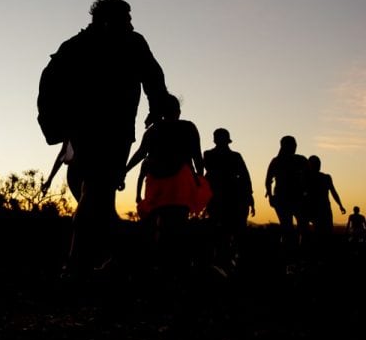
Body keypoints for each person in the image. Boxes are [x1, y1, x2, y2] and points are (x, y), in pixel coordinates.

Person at [41, 0, 168, 277]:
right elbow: (49, 83)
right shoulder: (77, 46)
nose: (131, 24)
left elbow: (153, 76)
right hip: (90, 130)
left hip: (114, 132)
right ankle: (125, 255)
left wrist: (158, 106)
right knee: (91, 192)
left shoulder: (131, 43)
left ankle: (80, 265)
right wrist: (54, 126)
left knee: (96, 192)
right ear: (110, 20)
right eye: (127, 19)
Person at [128, 94, 211, 275]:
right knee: (177, 223)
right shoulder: (188, 127)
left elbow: (141, 153)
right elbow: (197, 156)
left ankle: (161, 262)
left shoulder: (153, 130)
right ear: (178, 111)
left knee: (160, 222)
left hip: (156, 183)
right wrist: (199, 177)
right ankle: (175, 264)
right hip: (179, 182)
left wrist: (124, 171)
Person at [203, 128, 255, 273]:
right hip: (226, 197)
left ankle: (228, 261)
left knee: (229, 231)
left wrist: (249, 195)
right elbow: (245, 177)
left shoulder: (210, 155)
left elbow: (245, 177)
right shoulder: (217, 156)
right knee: (225, 230)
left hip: (229, 197)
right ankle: (225, 261)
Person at [265, 135, 310, 263]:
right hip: (288, 198)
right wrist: (270, 196)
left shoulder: (281, 161)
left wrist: (271, 196)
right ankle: (292, 256)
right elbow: (268, 181)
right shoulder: (296, 160)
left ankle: (293, 255)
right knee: (292, 228)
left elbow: (268, 181)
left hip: (292, 198)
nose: (295, 147)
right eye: (293, 145)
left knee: (293, 228)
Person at [305, 155, 346, 253]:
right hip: (313, 209)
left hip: (324, 208)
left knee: (327, 232)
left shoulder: (326, 177)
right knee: (317, 233)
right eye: (316, 163)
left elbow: (333, 192)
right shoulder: (306, 177)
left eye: (318, 163)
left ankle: (323, 253)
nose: (318, 165)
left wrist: (340, 205)